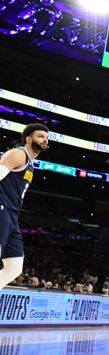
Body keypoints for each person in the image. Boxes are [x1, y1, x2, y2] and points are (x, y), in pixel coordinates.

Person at [0, 123, 49, 290]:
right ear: (28, 139)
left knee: (14, 267)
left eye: (46, 138)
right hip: (2, 208)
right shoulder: (18, 154)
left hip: (12, 215)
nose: (44, 140)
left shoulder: (31, 165)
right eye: (40, 136)